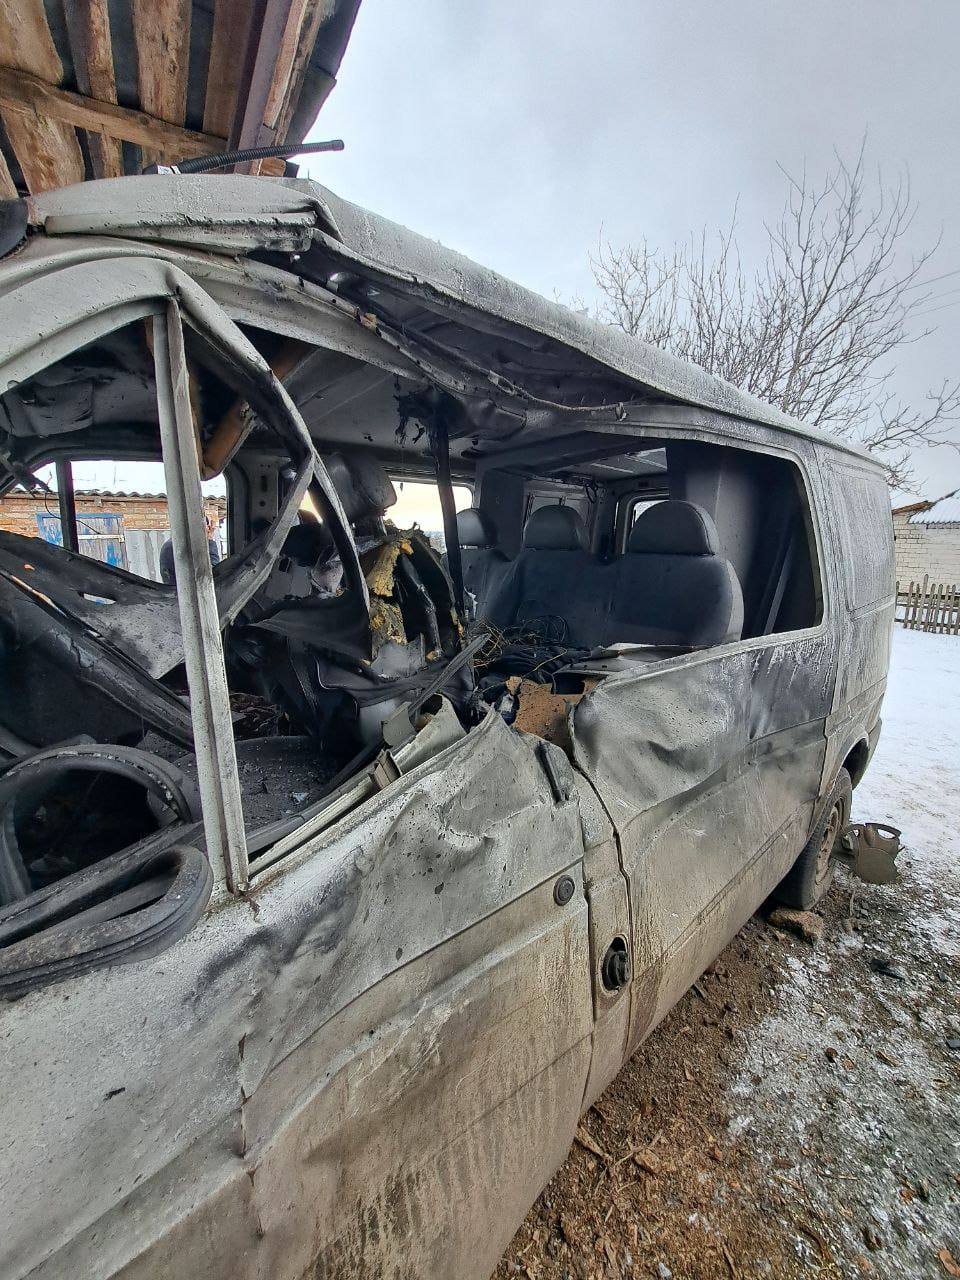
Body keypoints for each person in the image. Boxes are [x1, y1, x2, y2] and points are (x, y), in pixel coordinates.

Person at [159, 511, 221, 586]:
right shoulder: (180, 547)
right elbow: (211, 576)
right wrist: (210, 540)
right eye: (206, 526)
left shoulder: (173, 544)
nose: (208, 529)